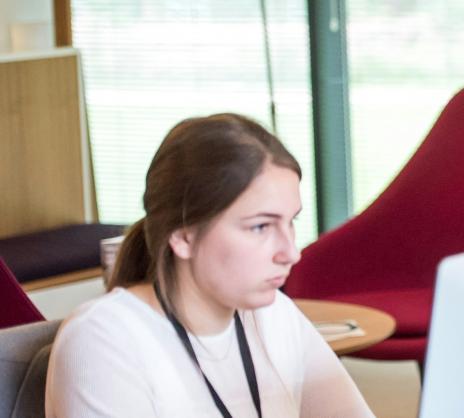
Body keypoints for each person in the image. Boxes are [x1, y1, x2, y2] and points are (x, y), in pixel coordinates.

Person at [46, 114, 374, 417]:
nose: (290, 252)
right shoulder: (103, 339)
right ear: (184, 236)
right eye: (261, 227)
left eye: (291, 222)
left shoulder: (275, 316)